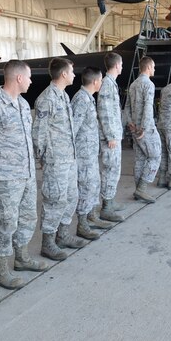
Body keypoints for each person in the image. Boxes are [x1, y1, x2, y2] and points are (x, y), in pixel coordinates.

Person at [0, 60, 48, 291]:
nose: (30, 81)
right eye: (28, 77)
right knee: (5, 224)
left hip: (26, 174)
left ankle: (22, 257)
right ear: (18, 78)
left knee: (27, 218)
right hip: (5, 178)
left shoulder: (23, 105)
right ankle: (1, 270)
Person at [32, 58, 89, 260]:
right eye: (72, 71)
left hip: (69, 158)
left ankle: (62, 235)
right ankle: (48, 243)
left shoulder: (63, 96)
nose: (74, 75)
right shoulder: (47, 99)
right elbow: (38, 132)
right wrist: (44, 158)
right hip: (56, 160)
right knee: (55, 200)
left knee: (71, 196)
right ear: (64, 74)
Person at [123, 56, 161, 203]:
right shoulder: (148, 85)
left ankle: (138, 190)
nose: (154, 69)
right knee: (155, 156)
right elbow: (147, 107)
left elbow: (126, 106)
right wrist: (143, 128)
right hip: (145, 129)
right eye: (154, 67)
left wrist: (130, 123)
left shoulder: (133, 85)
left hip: (134, 128)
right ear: (149, 67)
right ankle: (142, 188)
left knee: (140, 158)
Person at [71, 67, 103, 240]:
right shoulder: (81, 100)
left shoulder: (88, 98)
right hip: (83, 154)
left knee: (93, 185)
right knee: (85, 187)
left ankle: (91, 216)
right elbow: (73, 128)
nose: (102, 82)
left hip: (90, 152)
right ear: (95, 81)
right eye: (101, 79)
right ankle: (82, 225)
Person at [96, 52, 125, 224]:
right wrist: (110, 135)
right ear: (116, 65)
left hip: (114, 134)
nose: (122, 67)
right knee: (109, 170)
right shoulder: (107, 84)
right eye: (121, 64)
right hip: (110, 137)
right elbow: (104, 111)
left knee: (115, 170)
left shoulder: (110, 84)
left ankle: (111, 201)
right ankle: (106, 207)